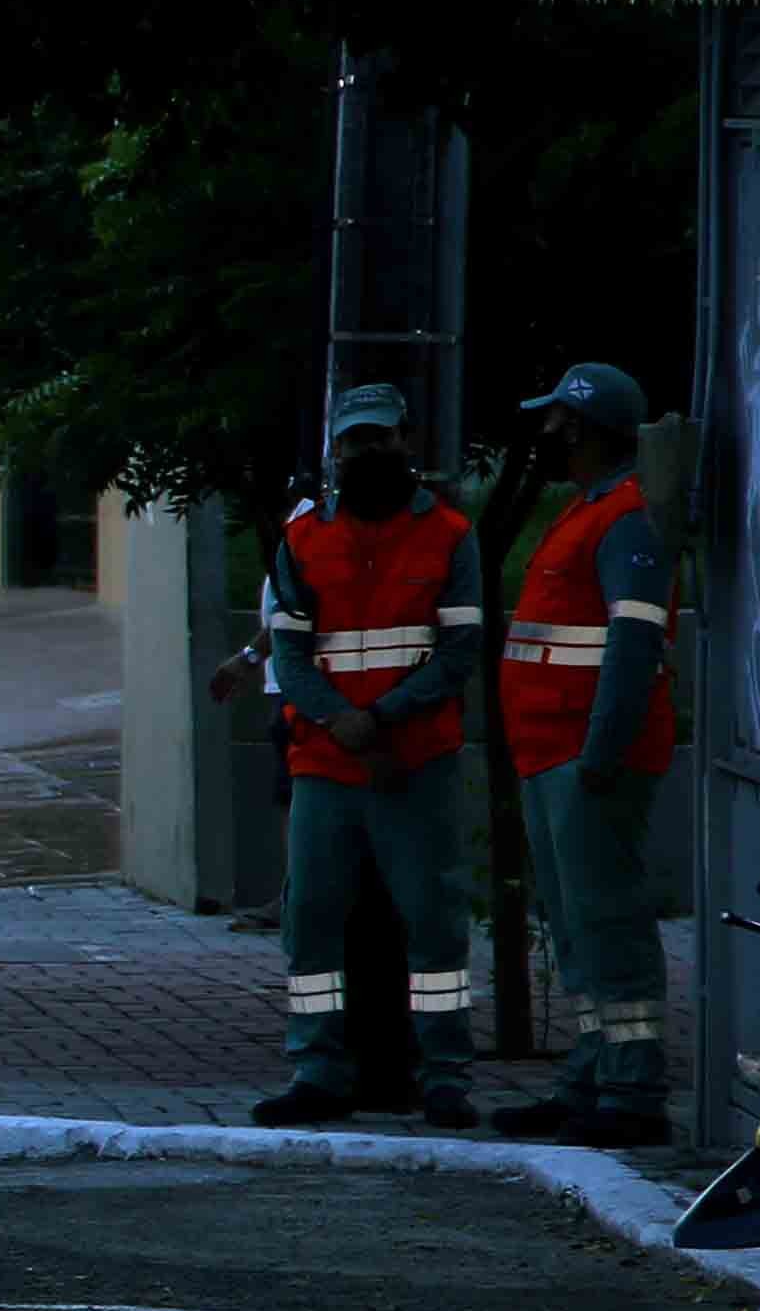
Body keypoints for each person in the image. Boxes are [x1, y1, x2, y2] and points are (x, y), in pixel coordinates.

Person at [249, 383, 484, 1129]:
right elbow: (288, 652)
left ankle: (444, 1074)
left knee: (433, 919)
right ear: (336, 450)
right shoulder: (301, 539)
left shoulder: (448, 534)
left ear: (404, 442)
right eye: (355, 442)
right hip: (326, 764)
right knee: (311, 919)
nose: (368, 453)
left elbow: (459, 650)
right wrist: (338, 721)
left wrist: (376, 719)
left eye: (380, 439)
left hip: (414, 762)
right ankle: (316, 1069)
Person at [489, 361, 679, 1148]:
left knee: (607, 922)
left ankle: (631, 1092)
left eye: (555, 425)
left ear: (584, 427)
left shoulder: (624, 518)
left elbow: (633, 646)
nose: (543, 438)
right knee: (575, 926)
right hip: (552, 756)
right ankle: (591, 1077)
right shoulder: (589, 511)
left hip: (584, 758)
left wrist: (601, 751)